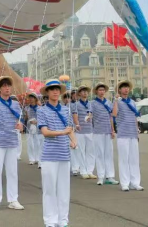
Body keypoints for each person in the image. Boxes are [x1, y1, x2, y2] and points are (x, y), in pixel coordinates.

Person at [37, 79, 77, 227]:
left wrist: (74, 141)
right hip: (49, 155)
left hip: (64, 155)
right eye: (52, 89)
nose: (55, 92)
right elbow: (45, 132)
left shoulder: (66, 110)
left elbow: (70, 129)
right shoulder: (42, 110)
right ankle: (50, 221)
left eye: (57, 89)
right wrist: (63, 132)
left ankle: (63, 220)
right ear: (47, 92)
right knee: (49, 190)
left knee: (64, 190)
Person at [0, 76, 25, 212]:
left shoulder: (16, 104)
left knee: (12, 172)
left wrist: (21, 126)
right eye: (4, 86)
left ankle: (13, 200)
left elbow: (20, 123)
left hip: (12, 141)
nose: (7, 88)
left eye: (8, 85)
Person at [112, 80, 143, 192]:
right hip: (123, 134)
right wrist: (116, 101)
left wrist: (136, 131)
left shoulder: (132, 102)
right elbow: (114, 114)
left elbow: (135, 117)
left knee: (134, 159)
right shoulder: (117, 102)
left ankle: (135, 182)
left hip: (133, 133)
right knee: (124, 159)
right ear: (119, 90)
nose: (126, 89)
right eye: (123, 87)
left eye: (127, 87)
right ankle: (125, 183)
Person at [91, 82, 118, 185]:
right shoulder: (93, 103)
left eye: (103, 90)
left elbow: (111, 116)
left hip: (107, 131)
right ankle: (101, 176)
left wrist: (112, 130)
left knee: (108, 154)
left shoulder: (108, 102)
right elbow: (90, 114)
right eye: (100, 90)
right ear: (96, 91)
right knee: (99, 154)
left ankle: (109, 176)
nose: (101, 92)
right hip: (98, 131)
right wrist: (88, 117)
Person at [72, 85, 96, 179]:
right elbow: (75, 115)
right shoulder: (76, 104)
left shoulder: (90, 104)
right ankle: (83, 171)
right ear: (79, 93)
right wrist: (77, 124)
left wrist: (90, 117)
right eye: (83, 91)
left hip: (90, 130)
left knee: (91, 151)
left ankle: (90, 170)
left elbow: (92, 114)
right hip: (80, 131)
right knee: (81, 151)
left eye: (86, 91)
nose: (85, 93)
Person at [24, 92, 41, 166]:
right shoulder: (26, 108)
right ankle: (31, 159)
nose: (31, 99)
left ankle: (38, 158)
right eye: (30, 98)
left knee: (37, 143)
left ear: (35, 99)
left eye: (32, 98)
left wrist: (37, 122)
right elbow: (25, 117)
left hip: (37, 128)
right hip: (29, 127)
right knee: (30, 143)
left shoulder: (40, 108)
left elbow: (42, 118)